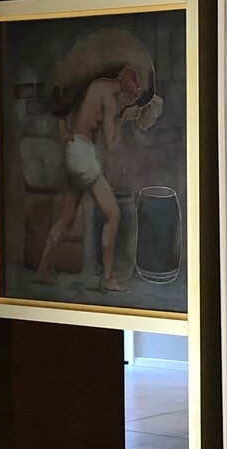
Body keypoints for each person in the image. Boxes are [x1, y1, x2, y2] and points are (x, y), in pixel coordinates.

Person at [36, 64, 159, 291]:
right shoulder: (111, 101)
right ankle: (107, 278)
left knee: (66, 218)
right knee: (113, 214)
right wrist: (124, 119)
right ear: (123, 90)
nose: (124, 101)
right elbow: (112, 144)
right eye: (126, 98)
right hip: (82, 155)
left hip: (73, 150)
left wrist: (64, 129)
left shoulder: (96, 85)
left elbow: (74, 113)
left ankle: (43, 268)